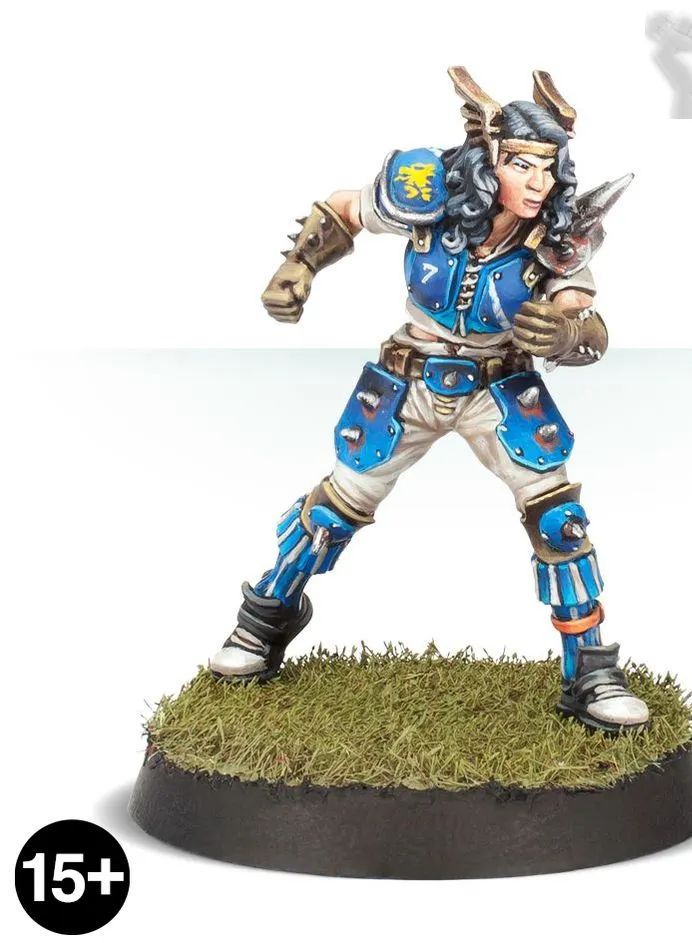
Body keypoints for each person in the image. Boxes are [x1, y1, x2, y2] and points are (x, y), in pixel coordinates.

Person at [209, 66, 649, 734]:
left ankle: (589, 669)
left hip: (499, 385)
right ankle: (265, 619)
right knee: (336, 505)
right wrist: (297, 266)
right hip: (410, 377)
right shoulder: (431, 196)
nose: (537, 182)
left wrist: (565, 331)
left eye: (547, 168)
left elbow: (580, 313)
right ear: (487, 160)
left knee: (558, 518)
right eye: (521, 164)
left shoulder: (556, 236)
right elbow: (345, 208)